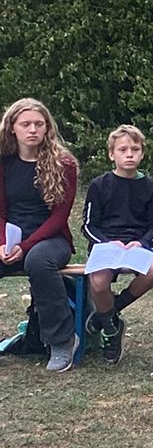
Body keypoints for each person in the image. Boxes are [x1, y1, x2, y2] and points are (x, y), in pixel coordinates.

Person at [0, 97, 79, 372]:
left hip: (51, 239)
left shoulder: (64, 164)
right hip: (11, 236)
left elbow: (59, 217)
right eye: (25, 124)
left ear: (47, 128)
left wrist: (27, 245)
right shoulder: (3, 162)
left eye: (38, 124)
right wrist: (3, 243)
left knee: (38, 260)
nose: (32, 129)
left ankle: (62, 341)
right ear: (13, 128)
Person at [81, 124, 153, 365]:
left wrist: (142, 243)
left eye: (135, 149)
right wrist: (108, 243)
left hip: (138, 246)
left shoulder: (152, 188)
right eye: (123, 149)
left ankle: (107, 315)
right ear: (111, 154)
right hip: (106, 245)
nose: (129, 154)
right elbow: (88, 226)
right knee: (98, 281)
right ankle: (112, 330)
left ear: (142, 153)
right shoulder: (99, 185)